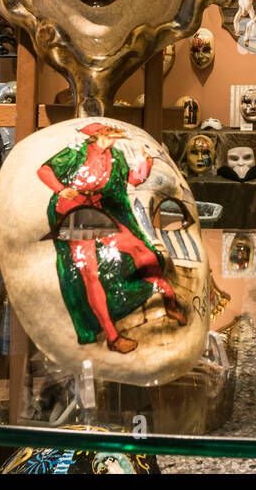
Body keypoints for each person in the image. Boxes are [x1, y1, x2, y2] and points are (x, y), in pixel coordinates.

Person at [37, 122, 187, 354]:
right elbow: (44, 170)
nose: (115, 136)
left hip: (96, 210)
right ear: (98, 135)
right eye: (109, 133)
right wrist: (60, 189)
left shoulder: (115, 155)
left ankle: (169, 300)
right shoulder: (76, 152)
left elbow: (129, 180)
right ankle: (112, 336)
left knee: (141, 250)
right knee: (90, 272)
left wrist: (146, 164)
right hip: (73, 214)